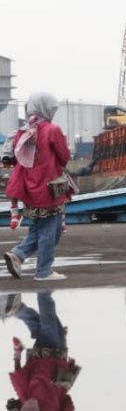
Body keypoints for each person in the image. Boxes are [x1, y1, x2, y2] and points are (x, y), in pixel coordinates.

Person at [7, 292, 80, 411]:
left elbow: (70, 405)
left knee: (49, 322)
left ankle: (43, 287)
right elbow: (15, 405)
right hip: (34, 366)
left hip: (54, 364)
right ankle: (17, 309)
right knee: (43, 327)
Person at [3, 93, 72, 281]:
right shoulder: (51, 130)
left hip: (29, 188)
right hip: (48, 188)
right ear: (46, 108)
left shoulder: (22, 132)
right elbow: (64, 157)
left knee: (39, 229)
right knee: (51, 230)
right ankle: (43, 271)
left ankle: (17, 255)